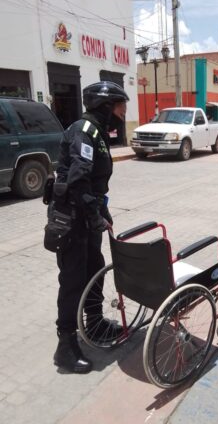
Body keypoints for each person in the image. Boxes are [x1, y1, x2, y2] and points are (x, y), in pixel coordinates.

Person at [50, 81, 129, 374]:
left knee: (94, 269)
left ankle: (93, 323)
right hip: (71, 219)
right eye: (121, 105)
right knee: (72, 280)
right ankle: (65, 346)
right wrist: (94, 215)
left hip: (87, 215)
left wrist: (101, 211)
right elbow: (78, 181)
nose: (123, 112)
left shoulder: (96, 132)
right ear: (106, 106)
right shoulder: (84, 131)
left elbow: (94, 184)